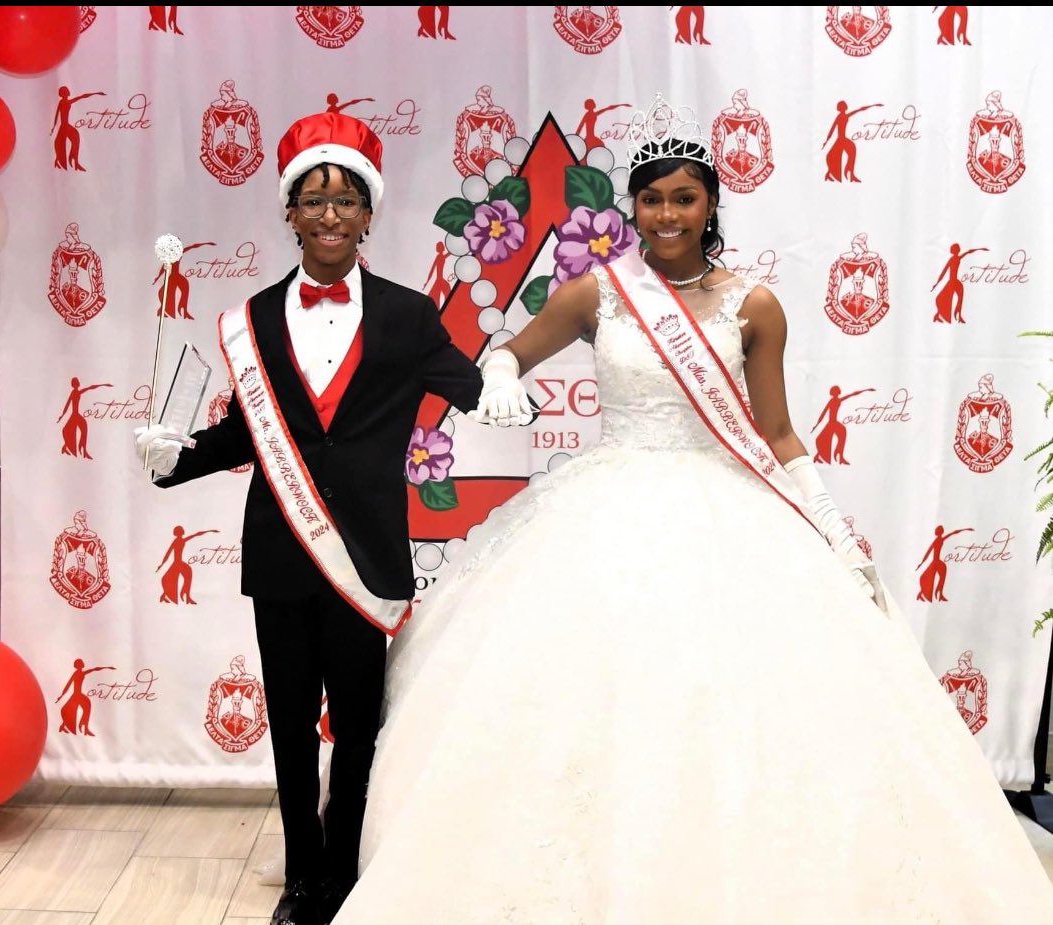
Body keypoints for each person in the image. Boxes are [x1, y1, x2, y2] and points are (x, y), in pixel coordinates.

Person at [330, 93, 1053, 922]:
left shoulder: (754, 305)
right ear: (631, 206)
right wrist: (497, 376)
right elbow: (508, 352)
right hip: (603, 508)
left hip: (726, 508)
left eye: (683, 197)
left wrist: (834, 528)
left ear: (710, 203)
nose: (666, 214)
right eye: (651, 198)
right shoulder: (598, 292)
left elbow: (776, 433)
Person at [133, 111, 483, 925]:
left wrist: (502, 379)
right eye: (313, 198)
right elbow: (244, 433)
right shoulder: (252, 316)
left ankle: (344, 870)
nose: (329, 214)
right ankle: (301, 878)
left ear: (369, 213)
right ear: (288, 211)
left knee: (357, 727)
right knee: (290, 724)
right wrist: (174, 459)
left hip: (364, 553)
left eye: (345, 199)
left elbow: (467, 384)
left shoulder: (407, 314)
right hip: (281, 549)